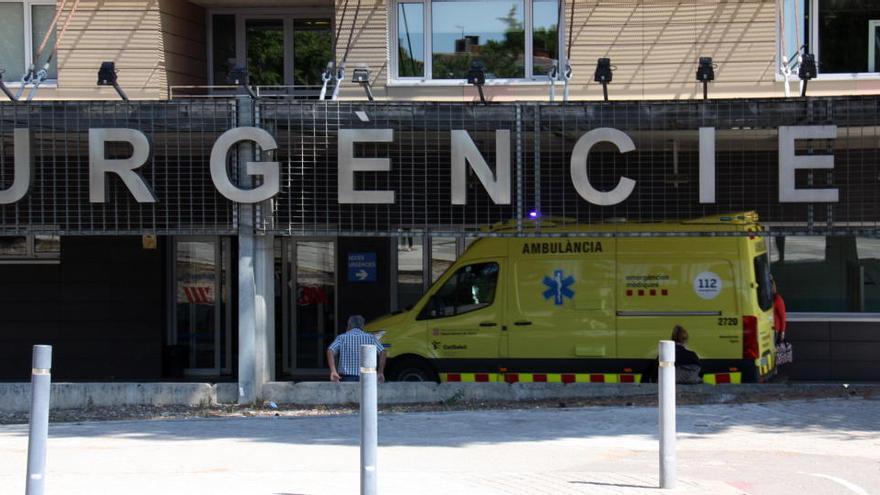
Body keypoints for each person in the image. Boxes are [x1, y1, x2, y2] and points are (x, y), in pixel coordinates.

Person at [327, 315, 386, 383]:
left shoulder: (342, 338)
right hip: (367, 377)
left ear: (349, 325)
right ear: (363, 326)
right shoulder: (371, 338)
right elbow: (383, 352)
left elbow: (330, 350)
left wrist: (333, 371)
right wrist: (380, 372)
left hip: (346, 377)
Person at [772, 278, 787, 343]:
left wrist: (782, 332)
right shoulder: (767, 299)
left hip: (775, 330)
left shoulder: (778, 299)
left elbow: (782, 317)